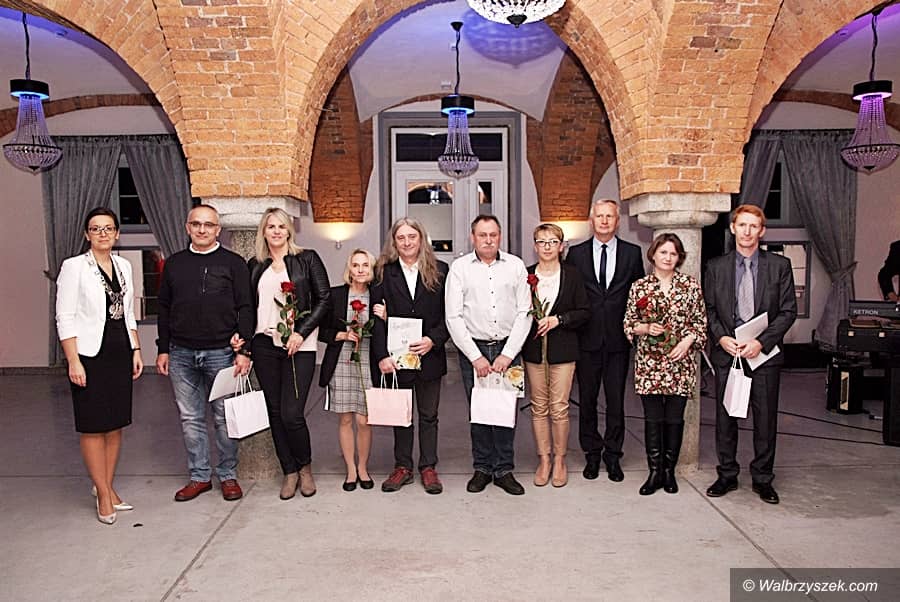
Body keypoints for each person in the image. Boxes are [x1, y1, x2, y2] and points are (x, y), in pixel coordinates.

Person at [156, 204, 253, 503]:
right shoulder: (174, 263)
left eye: (208, 225)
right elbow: (164, 308)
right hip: (180, 354)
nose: (202, 229)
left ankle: (228, 475)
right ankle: (199, 477)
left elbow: (246, 307)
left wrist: (244, 349)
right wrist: (163, 348)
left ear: (218, 230)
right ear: (188, 228)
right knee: (191, 418)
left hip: (221, 353)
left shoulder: (234, 263)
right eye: (196, 224)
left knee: (224, 418)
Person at [705, 204, 797, 504]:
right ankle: (727, 475)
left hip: (763, 356)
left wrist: (762, 342)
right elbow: (709, 310)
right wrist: (720, 338)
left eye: (753, 226)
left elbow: (788, 311)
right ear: (733, 228)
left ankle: (763, 478)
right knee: (726, 418)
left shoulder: (779, 266)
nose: (747, 231)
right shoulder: (716, 267)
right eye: (742, 225)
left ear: (762, 231)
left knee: (765, 419)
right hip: (728, 354)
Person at [56, 207, 143, 524]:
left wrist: (136, 348)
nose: (103, 233)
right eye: (96, 229)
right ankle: (104, 495)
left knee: (115, 423)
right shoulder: (74, 267)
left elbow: (128, 312)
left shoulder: (123, 266)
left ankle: (105, 484)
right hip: (89, 355)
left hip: (119, 351)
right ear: (87, 234)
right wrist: (73, 360)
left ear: (117, 234)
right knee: (93, 425)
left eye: (108, 228)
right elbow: (65, 316)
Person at [246, 207, 331, 500]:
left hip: (299, 346)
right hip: (264, 345)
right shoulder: (255, 265)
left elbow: (324, 300)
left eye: (281, 226)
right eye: (271, 226)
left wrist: (300, 332)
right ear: (264, 231)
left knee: (292, 414)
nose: (277, 231)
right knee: (275, 412)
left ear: (289, 230)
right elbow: (247, 308)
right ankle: (289, 471)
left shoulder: (307, 259)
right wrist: (243, 346)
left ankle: (305, 467)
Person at [446, 215, 532, 495]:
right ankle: (482, 467)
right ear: (472, 237)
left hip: (508, 348)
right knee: (480, 411)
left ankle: (504, 469)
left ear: (500, 236)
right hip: (475, 349)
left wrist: (508, 353)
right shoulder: (459, 268)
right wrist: (475, 356)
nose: (488, 240)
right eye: (482, 235)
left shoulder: (515, 265)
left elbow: (525, 312)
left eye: (493, 234)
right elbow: (453, 316)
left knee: (506, 411)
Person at [565, 199, 644, 482]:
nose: (604, 221)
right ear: (592, 220)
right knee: (587, 401)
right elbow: (571, 294)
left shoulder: (632, 253)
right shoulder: (576, 254)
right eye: (600, 216)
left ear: (617, 221)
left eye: (610, 216)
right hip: (586, 340)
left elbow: (639, 296)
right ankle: (591, 454)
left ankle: (613, 455)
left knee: (616, 402)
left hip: (618, 341)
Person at [371, 218, 450, 494]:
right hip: (397, 357)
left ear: (421, 238)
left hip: (429, 355)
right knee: (400, 414)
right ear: (394, 242)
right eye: (401, 237)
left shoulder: (440, 270)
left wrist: (433, 340)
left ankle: (428, 467)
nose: (407, 242)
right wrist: (382, 355)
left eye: (412, 236)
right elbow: (376, 318)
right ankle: (402, 466)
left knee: (429, 415)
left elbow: (450, 315)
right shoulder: (383, 272)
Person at [623, 233, 707, 496]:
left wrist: (687, 342)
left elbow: (700, 323)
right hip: (649, 364)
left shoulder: (690, 286)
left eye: (673, 253)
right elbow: (628, 323)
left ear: (679, 257)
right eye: (663, 252)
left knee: (674, 418)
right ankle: (654, 471)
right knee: (653, 418)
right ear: (653, 254)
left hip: (680, 363)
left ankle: (669, 471)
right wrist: (645, 327)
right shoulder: (640, 287)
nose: (668, 258)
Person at [522, 224, 590, 488]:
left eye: (553, 241)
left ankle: (560, 460)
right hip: (533, 351)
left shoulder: (572, 275)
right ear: (535, 246)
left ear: (561, 246)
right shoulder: (526, 274)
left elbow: (584, 311)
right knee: (539, 407)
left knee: (559, 407)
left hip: (564, 350)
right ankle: (544, 459)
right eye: (542, 241)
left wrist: (559, 319)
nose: (547, 246)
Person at [318, 249, 379, 492]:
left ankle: (363, 467)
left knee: (364, 420)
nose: (361, 269)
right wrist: (342, 335)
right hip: (342, 361)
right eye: (356, 265)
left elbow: (390, 329)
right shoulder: (335, 295)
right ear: (349, 269)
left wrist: (386, 316)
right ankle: (351, 470)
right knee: (345, 418)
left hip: (368, 362)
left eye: (365, 265)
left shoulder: (378, 296)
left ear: (371, 269)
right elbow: (320, 330)